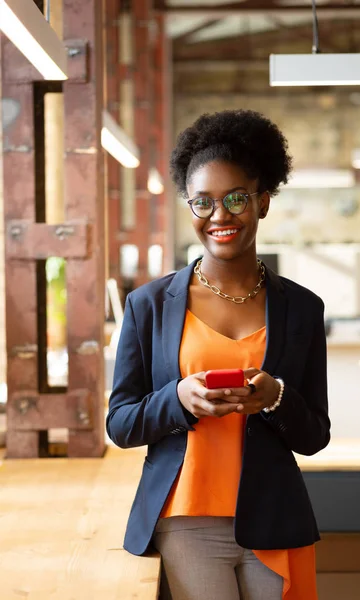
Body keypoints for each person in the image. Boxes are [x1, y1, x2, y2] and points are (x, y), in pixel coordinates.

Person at [106, 109, 330, 600]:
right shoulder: (148, 306)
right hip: (187, 519)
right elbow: (120, 424)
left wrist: (276, 397)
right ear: (189, 206)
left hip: (275, 515)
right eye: (202, 202)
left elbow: (315, 436)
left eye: (236, 199)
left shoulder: (304, 309)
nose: (219, 216)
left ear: (263, 202)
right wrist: (178, 397)